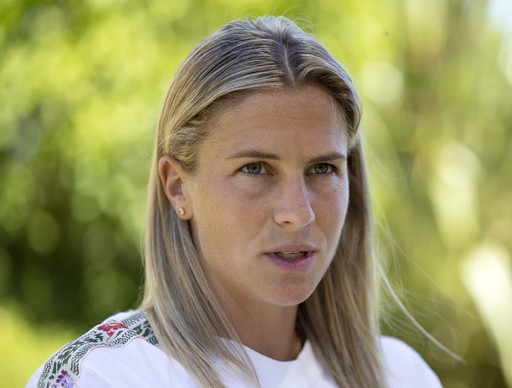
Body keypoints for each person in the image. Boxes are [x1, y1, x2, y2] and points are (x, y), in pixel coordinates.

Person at [27, 15, 442, 388]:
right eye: (256, 169)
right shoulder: (105, 377)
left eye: (321, 169)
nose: (298, 213)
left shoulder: (400, 375)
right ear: (177, 187)